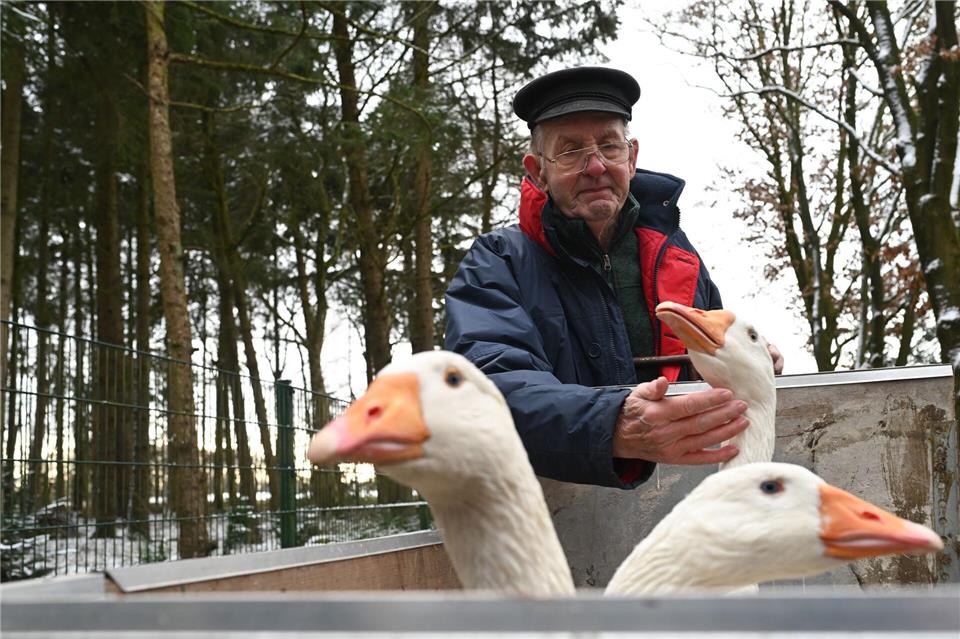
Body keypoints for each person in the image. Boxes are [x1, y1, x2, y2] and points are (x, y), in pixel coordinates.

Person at [444, 66, 783, 488]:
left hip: (684, 502)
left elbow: (708, 359)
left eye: (610, 145)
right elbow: (488, 389)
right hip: (549, 518)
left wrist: (751, 361)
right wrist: (612, 423)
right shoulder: (497, 263)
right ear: (537, 171)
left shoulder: (677, 256)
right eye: (570, 151)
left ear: (632, 156)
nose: (595, 166)